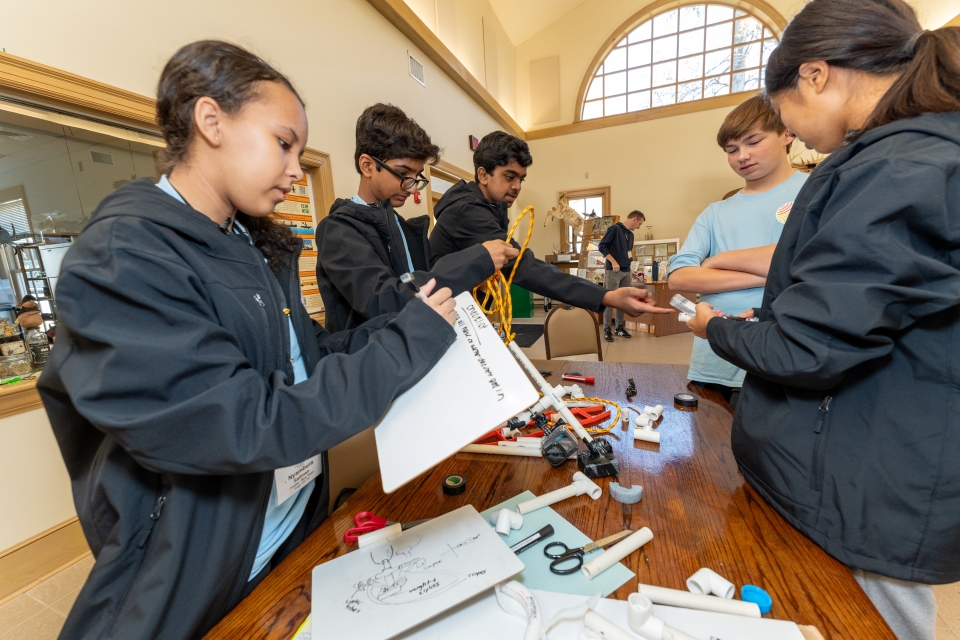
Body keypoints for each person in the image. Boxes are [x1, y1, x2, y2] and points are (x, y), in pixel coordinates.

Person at [36, 41, 459, 639]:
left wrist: (402, 327)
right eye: (284, 143)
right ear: (211, 122)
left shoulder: (248, 244)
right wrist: (402, 348)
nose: (296, 167)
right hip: (200, 570)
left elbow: (306, 360)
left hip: (288, 536)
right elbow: (242, 421)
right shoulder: (123, 256)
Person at [686, 2, 960, 638]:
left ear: (813, 76)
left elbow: (807, 349)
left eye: (779, 122)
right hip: (869, 463)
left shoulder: (897, 167)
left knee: (861, 622)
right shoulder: (907, 155)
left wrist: (716, 328)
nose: (795, 134)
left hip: (872, 486)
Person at [316, 104, 518, 332]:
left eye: (416, 176)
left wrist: (478, 289)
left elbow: (432, 294)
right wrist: (477, 260)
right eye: (403, 174)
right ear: (367, 165)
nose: (412, 188)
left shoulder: (404, 229)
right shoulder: (337, 230)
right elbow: (385, 300)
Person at [430, 131, 668, 318]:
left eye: (521, 179)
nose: (517, 186)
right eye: (509, 177)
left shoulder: (494, 206)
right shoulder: (468, 211)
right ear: (483, 175)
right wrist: (605, 296)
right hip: (444, 312)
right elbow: (523, 266)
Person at [669, 94, 806, 409]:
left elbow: (806, 259)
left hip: (776, 358)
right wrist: (768, 276)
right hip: (712, 357)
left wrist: (717, 262)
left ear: (787, 133)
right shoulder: (715, 213)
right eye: (731, 150)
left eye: (753, 142)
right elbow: (678, 278)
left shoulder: (813, 191)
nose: (742, 156)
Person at [598, 209, 646, 341]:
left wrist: (630, 269)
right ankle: (607, 329)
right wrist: (613, 262)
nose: (639, 227)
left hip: (626, 271)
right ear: (634, 219)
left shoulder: (630, 235)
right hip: (613, 271)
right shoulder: (614, 229)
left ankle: (619, 328)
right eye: (639, 224)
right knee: (610, 300)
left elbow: (628, 253)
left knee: (623, 301)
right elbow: (602, 247)